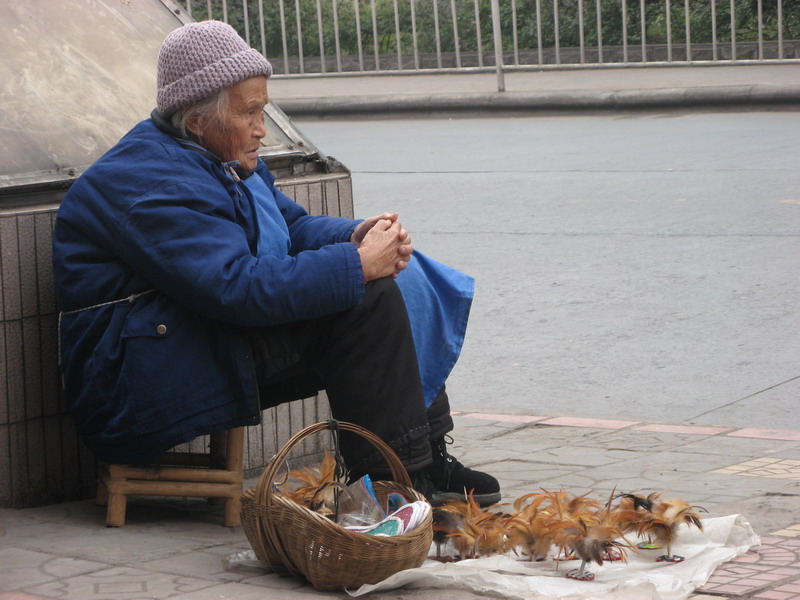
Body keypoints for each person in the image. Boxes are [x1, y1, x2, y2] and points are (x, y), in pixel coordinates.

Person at [52, 20, 500, 506]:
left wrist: (361, 236)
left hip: (193, 338)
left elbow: (293, 229)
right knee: (365, 300)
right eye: (251, 113)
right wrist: (356, 266)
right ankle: (396, 486)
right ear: (198, 117)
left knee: (396, 273)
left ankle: (426, 454)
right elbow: (238, 289)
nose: (262, 129)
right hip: (138, 384)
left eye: (263, 110)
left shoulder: (213, 153)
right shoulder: (147, 184)